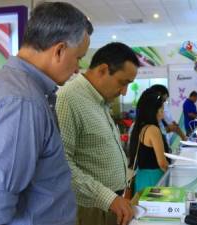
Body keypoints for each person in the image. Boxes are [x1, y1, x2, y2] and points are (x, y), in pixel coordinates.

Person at [0, 2, 92, 225]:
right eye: (78, 58)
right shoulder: (22, 102)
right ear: (59, 50)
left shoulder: (14, 85)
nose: (78, 69)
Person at [56, 42, 140, 225]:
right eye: (123, 82)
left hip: (112, 204)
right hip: (90, 209)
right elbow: (63, 166)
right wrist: (108, 199)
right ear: (103, 70)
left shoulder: (100, 101)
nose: (124, 91)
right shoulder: (68, 98)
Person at [129, 89, 170, 194]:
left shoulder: (140, 127)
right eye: (161, 110)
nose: (162, 115)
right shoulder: (153, 129)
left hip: (142, 178)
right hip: (154, 179)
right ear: (153, 111)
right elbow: (162, 163)